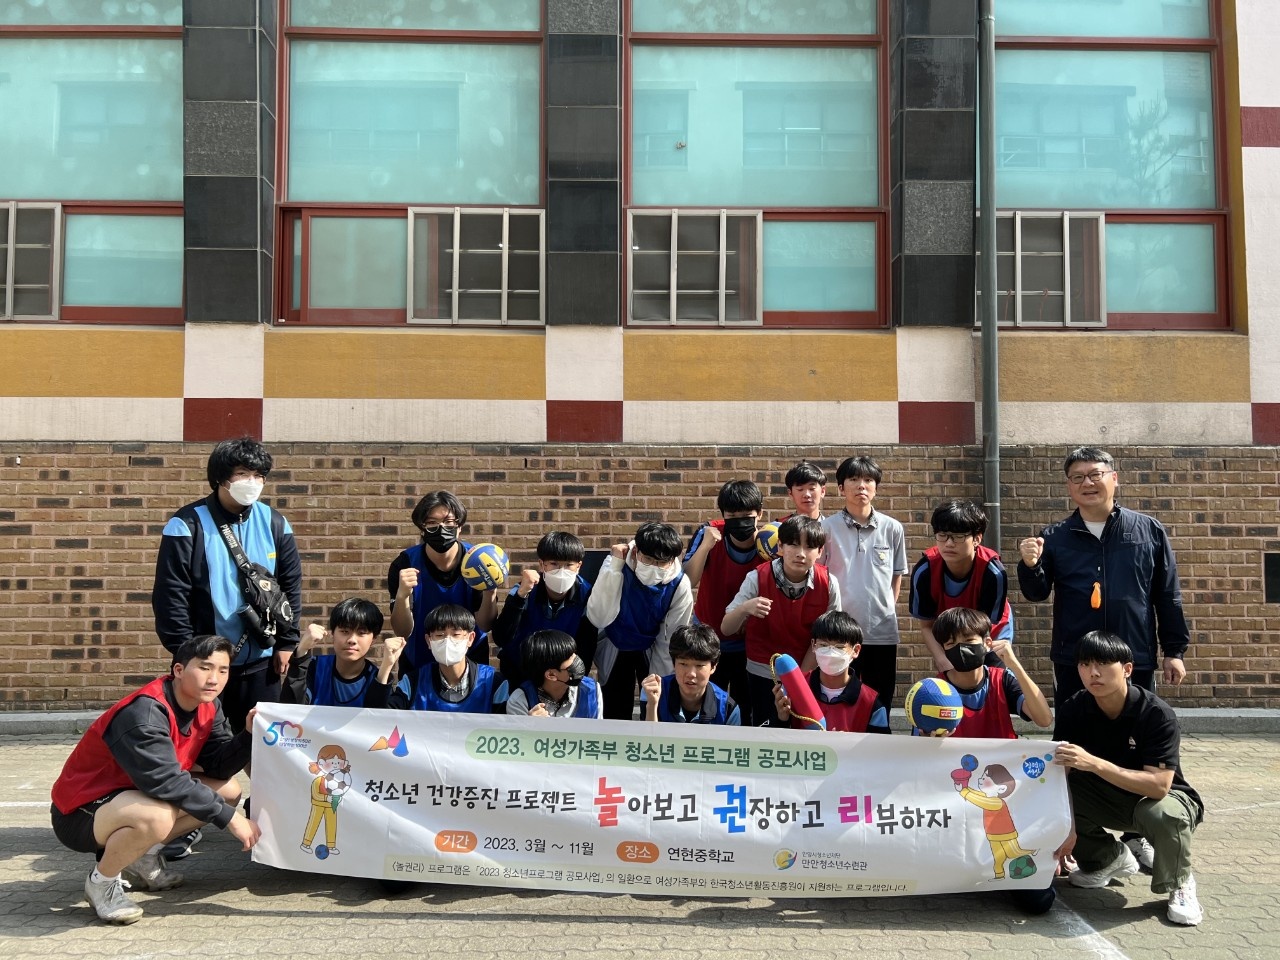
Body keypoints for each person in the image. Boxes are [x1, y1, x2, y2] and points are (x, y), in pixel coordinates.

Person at [50, 635, 260, 925]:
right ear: (178, 670)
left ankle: (143, 856)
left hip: (132, 795)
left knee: (227, 791)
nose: (214, 679)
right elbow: (165, 782)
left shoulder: (208, 706)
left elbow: (218, 768)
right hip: (79, 812)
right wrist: (231, 819)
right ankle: (101, 883)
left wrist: (248, 735)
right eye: (205, 668)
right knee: (157, 816)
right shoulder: (145, 713)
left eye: (223, 670)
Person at [1053, 630, 1204, 926]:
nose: (1093, 673)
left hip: (1164, 798)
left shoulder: (1156, 713)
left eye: (1102, 663)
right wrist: (1066, 827)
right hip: (1107, 796)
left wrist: (1095, 764)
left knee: (1163, 814)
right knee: (1056, 797)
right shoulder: (1073, 709)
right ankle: (1107, 860)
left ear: (1127, 669)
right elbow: (1061, 775)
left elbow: (1159, 786)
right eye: (1084, 664)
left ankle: (1180, 882)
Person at [152, 437, 302, 733]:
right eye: (243, 474)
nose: (252, 482)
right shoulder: (186, 525)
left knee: (259, 745)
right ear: (221, 478)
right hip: (203, 664)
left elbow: (291, 585)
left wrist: (287, 643)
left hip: (262, 662)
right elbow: (171, 596)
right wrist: (188, 654)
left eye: (258, 475)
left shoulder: (276, 523)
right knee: (201, 746)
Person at [1017, 448, 1190, 702]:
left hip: (1132, 656)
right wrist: (1031, 566)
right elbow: (1036, 593)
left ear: (1114, 478)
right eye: (1078, 477)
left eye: (1095, 474)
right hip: (1076, 660)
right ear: (1069, 485)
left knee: (1134, 725)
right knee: (1074, 726)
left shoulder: (1148, 531)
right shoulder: (1054, 537)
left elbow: (1167, 595)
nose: (1087, 483)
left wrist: (1174, 652)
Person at [724, 516, 841, 726]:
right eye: (793, 544)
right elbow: (726, 628)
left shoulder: (828, 583)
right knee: (766, 728)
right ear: (780, 546)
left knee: (804, 730)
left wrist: (798, 680)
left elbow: (828, 638)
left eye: (809, 547)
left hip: (807, 670)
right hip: (763, 670)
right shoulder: (757, 577)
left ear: (820, 551)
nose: (801, 553)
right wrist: (745, 608)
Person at [820, 456, 907, 712]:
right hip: (839, 635)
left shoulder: (893, 528)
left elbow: (896, 575)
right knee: (840, 698)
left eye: (868, 480)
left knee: (880, 700)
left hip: (881, 632)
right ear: (841, 488)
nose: (861, 485)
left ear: (876, 488)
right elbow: (820, 576)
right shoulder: (826, 528)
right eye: (854, 479)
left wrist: (886, 607)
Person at [586, 521, 693, 721]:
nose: (654, 567)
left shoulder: (680, 584)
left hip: (652, 644)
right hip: (615, 639)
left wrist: (660, 682)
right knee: (615, 707)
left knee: (653, 702)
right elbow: (598, 616)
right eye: (648, 559)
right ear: (636, 552)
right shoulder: (616, 564)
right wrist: (615, 567)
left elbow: (670, 639)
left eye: (661, 563)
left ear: (672, 560)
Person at [387, 490, 501, 674]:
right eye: (432, 523)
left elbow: (485, 625)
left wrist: (490, 592)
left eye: (449, 522)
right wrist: (402, 596)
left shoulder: (478, 561)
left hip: (470, 659)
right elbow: (402, 630)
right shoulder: (405, 564)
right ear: (422, 528)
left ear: (459, 526)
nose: (441, 528)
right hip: (419, 659)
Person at [682, 479, 763, 723]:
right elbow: (688, 580)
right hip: (709, 639)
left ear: (759, 514)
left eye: (746, 516)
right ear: (723, 515)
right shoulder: (708, 533)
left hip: (748, 644)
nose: (739, 521)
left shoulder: (770, 541)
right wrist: (705, 547)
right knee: (706, 709)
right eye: (732, 516)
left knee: (745, 709)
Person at [910, 499, 1014, 673]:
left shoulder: (993, 572)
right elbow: (927, 626)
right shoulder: (925, 570)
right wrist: (942, 659)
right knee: (952, 679)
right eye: (942, 535)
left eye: (958, 536)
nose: (949, 543)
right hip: (951, 634)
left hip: (990, 632)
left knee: (992, 678)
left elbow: (987, 628)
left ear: (977, 538)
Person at [929, 607, 1052, 739]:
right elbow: (922, 737)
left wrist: (1015, 666)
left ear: (987, 643)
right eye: (951, 643)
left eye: (968, 640)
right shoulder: (934, 689)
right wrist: (929, 739)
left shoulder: (1001, 680)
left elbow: (1044, 720)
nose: (960, 648)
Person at [491, 531, 596, 684]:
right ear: (542, 564)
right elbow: (501, 637)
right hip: (519, 671)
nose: (561, 571)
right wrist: (521, 595)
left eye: (569, 565)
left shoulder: (588, 596)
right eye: (554, 564)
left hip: (561, 678)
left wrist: (572, 681)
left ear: (579, 566)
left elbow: (587, 648)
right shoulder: (524, 589)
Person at [367, 604, 508, 713]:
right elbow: (377, 716)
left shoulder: (493, 683)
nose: (447, 641)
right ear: (429, 641)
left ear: (470, 638)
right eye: (440, 635)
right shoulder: (412, 682)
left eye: (456, 634)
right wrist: (386, 665)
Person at [772, 611, 889, 734]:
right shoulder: (794, 689)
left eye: (839, 647)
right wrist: (781, 718)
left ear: (856, 650)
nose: (830, 653)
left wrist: (851, 742)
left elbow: (882, 743)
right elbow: (773, 737)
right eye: (823, 645)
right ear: (814, 645)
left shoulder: (870, 703)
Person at [280, 598, 408, 708]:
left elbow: (377, 721)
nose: (352, 640)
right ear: (332, 634)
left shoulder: (377, 678)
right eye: (345, 631)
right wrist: (302, 650)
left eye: (361, 633)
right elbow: (291, 710)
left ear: (373, 639)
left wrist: (386, 666)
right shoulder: (315, 667)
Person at [641, 624, 741, 725]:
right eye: (683, 664)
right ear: (673, 664)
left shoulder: (728, 709)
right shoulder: (653, 692)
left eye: (699, 665)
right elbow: (647, 734)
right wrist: (652, 705)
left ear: (713, 667)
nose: (691, 674)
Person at [506, 629, 602, 718]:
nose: (576, 659)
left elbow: (598, 729)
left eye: (574, 653)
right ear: (551, 675)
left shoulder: (592, 690)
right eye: (569, 657)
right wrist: (530, 726)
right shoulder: (519, 701)